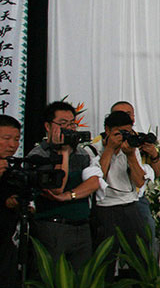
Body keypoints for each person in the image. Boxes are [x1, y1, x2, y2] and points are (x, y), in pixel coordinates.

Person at [27, 101, 103, 270]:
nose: (69, 128)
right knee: (52, 282)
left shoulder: (82, 154)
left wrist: (69, 196)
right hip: (53, 228)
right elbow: (56, 188)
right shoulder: (38, 155)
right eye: (62, 124)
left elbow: (94, 183)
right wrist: (64, 153)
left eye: (72, 124)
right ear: (48, 126)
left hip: (81, 227)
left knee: (81, 282)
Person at [89, 110, 153, 279]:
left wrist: (131, 155)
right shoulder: (93, 149)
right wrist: (109, 149)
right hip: (105, 209)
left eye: (128, 132)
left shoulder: (131, 149)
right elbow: (98, 179)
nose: (123, 137)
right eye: (119, 132)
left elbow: (139, 182)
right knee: (105, 260)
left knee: (140, 257)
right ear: (107, 130)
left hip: (130, 206)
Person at [109, 101, 160, 239]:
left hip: (137, 198)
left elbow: (157, 174)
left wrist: (154, 154)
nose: (124, 118)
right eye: (119, 114)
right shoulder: (101, 142)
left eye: (128, 114)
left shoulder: (140, 140)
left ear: (133, 118)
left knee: (146, 236)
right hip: (110, 200)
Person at [0, 115, 22, 288]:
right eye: (6, 139)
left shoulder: (14, 169)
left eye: (16, 139)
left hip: (6, 245)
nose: (13, 145)